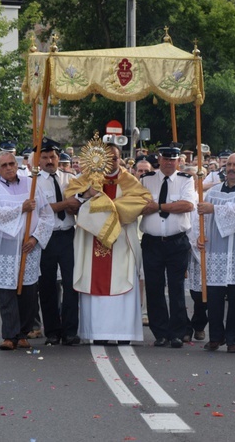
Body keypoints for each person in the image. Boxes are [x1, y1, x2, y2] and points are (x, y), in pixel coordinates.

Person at [65, 143, 151, 344]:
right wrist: (87, 194)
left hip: (121, 241)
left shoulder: (128, 180)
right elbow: (71, 199)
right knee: (93, 281)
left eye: (115, 157)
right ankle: (97, 333)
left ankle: (123, 334)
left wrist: (107, 207)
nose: (111, 161)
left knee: (122, 282)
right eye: (107, 157)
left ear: (120, 159)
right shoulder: (86, 180)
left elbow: (143, 200)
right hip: (92, 239)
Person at [0, 151, 53, 351]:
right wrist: (20, 209)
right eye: (4, 165)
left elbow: (46, 215)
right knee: (6, 292)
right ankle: (9, 335)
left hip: (29, 246)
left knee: (28, 292)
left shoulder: (32, 185)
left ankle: (23, 332)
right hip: (5, 247)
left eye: (12, 163)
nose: (9, 167)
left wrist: (35, 238)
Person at [196, 152, 235, 353]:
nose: (231, 168)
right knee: (213, 298)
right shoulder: (213, 192)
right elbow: (202, 217)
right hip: (216, 251)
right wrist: (200, 235)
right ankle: (215, 336)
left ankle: (233, 340)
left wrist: (213, 209)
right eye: (229, 164)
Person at [139, 143, 196, 348]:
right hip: (152, 242)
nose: (169, 162)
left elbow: (187, 205)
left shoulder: (186, 180)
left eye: (173, 159)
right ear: (159, 159)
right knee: (154, 288)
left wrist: (159, 207)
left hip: (176, 241)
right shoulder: (146, 180)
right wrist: (167, 207)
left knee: (176, 288)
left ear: (179, 161)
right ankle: (160, 332)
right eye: (166, 158)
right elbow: (139, 207)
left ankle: (177, 333)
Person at [34, 138, 81, 346]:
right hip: (46, 236)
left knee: (72, 284)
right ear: (38, 160)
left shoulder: (69, 178)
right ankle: (52, 331)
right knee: (47, 285)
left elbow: (79, 203)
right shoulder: (33, 181)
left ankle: (70, 331)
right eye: (44, 157)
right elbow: (40, 209)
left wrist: (74, 206)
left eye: (52, 156)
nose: (49, 161)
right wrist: (65, 204)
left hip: (68, 234)